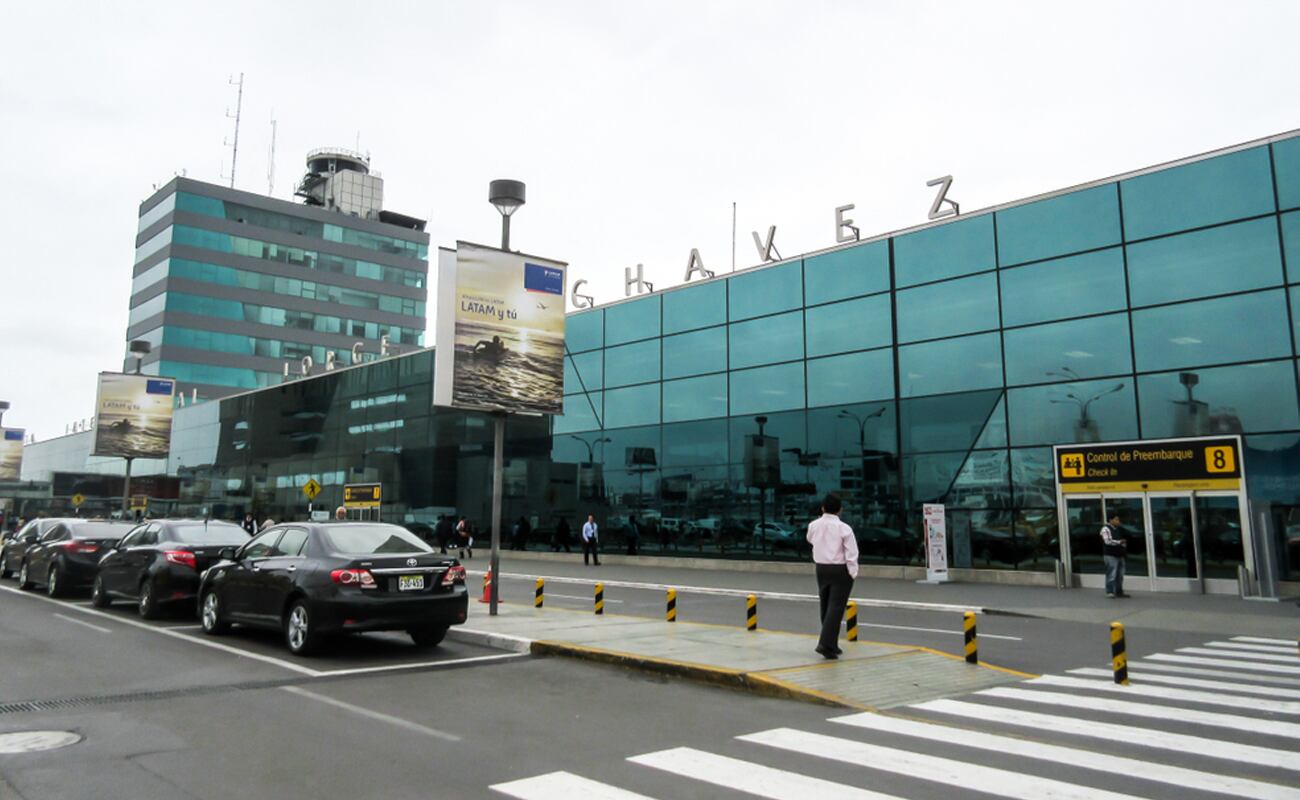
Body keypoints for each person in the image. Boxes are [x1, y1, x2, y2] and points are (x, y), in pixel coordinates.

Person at [806, 493, 858, 660]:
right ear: (840, 510)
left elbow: (810, 540)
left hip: (821, 568)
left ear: (822, 508)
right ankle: (825, 644)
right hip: (839, 569)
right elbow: (851, 552)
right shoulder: (844, 528)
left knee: (826, 605)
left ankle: (831, 645)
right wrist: (852, 571)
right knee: (836, 607)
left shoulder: (813, 525)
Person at [1100, 511, 1129, 598]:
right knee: (1111, 573)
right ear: (1110, 520)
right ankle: (1110, 591)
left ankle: (1119, 591)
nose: (1118, 521)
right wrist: (1119, 542)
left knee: (1120, 574)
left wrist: (1123, 545)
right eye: (1116, 519)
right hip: (1110, 555)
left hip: (1120, 554)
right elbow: (1107, 541)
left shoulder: (1119, 529)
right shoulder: (1105, 529)